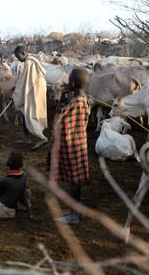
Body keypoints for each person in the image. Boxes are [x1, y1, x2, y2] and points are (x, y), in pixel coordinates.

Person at [52, 68, 91, 224]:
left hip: (70, 144)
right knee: (77, 179)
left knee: (74, 180)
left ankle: (73, 214)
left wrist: (62, 97)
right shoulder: (85, 99)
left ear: (72, 83)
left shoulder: (74, 103)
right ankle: (77, 211)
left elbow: (57, 119)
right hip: (80, 142)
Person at [12, 45, 48, 151]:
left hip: (34, 92)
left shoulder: (29, 63)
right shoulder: (31, 61)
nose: (17, 59)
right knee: (24, 113)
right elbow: (25, 80)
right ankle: (26, 138)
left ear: (23, 53)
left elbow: (24, 82)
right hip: (35, 89)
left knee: (31, 113)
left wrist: (17, 92)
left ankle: (42, 138)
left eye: (18, 56)